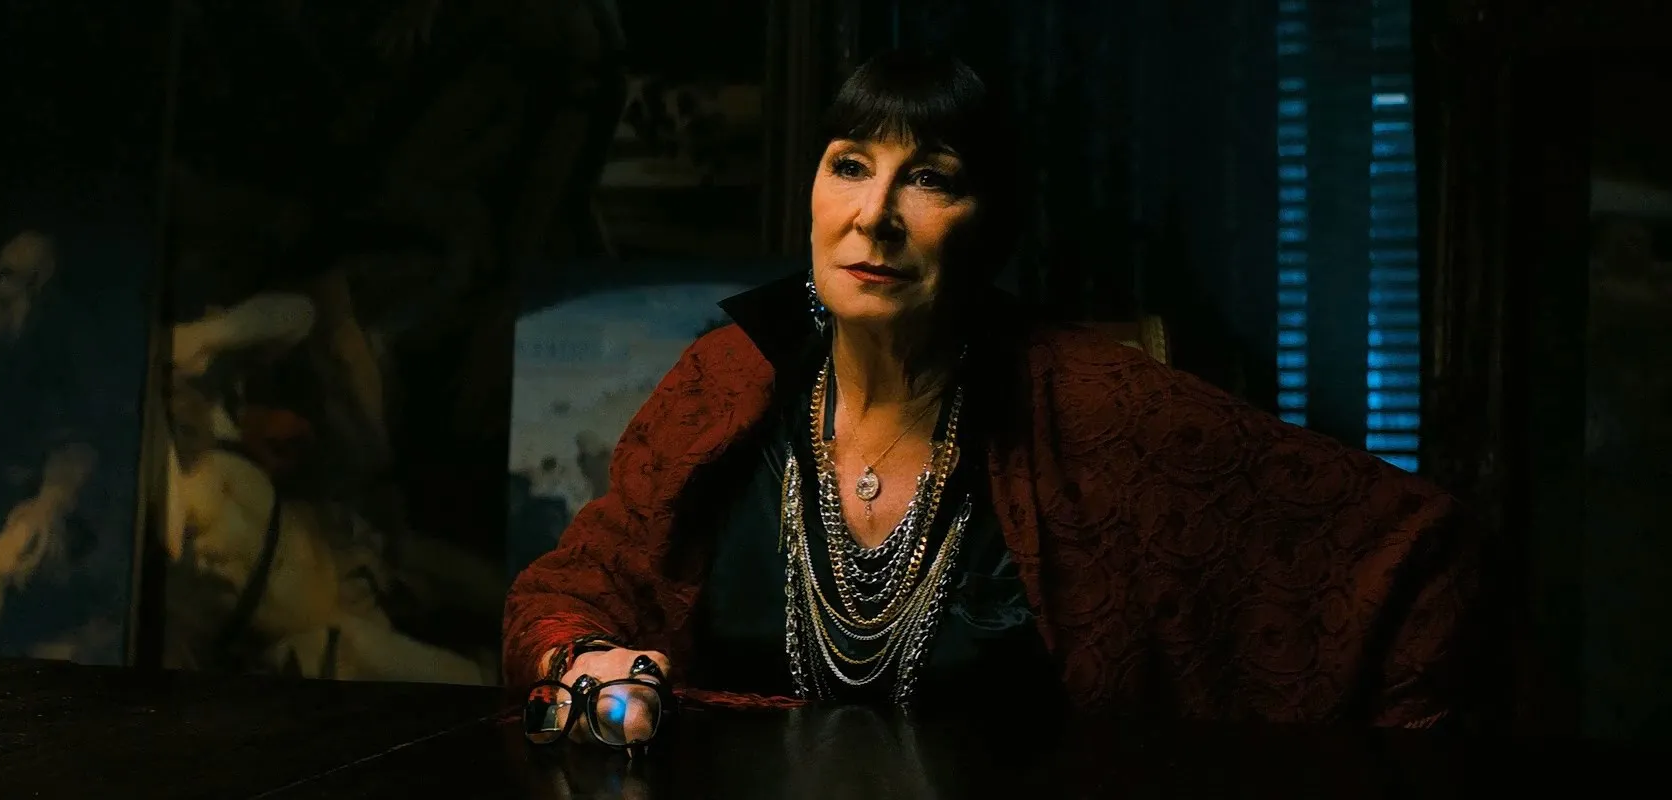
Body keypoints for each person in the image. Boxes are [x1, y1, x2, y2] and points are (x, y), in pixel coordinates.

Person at [504, 50, 1480, 737]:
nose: (875, 216)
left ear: (989, 225)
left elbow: (1416, 548)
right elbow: (569, 593)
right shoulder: (728, 381)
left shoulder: (1092, 406)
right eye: (851, 166)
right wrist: (583, 661)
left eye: (929, 179)